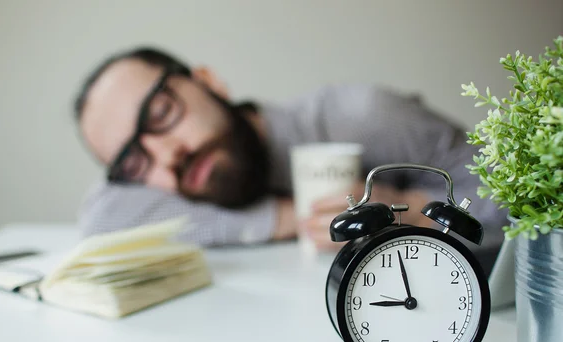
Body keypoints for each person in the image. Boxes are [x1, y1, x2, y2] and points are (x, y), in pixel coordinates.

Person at [73, 46, 508, 266]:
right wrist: (291, 216)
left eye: (163, 113)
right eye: (135, 162)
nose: (168, 156)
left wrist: (410, 211)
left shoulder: (361, 117)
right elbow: (100, 219)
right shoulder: (173, 182)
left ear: (208, 82)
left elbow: (517, 203)